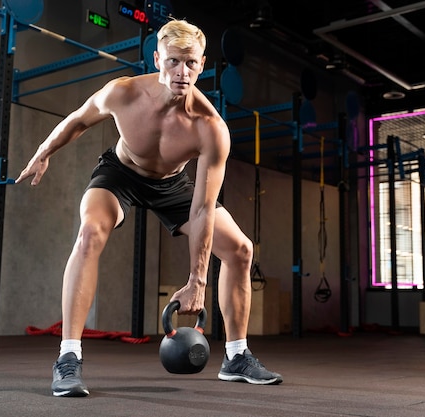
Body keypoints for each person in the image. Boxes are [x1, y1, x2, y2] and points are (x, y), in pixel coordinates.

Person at [16, 19, 282, 397]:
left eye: (190, 63)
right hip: (120, 174)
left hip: (172, 185)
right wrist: (44, 152)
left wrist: (197, 281)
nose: (181, 72)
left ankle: (237, 357)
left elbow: (204, 209)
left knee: (240, 250)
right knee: (90, 232)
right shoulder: (122, 93)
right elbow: (78, 120)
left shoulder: (210, 129)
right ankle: (68, 358)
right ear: (157, 59)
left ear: (202, 64)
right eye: (173, 61)